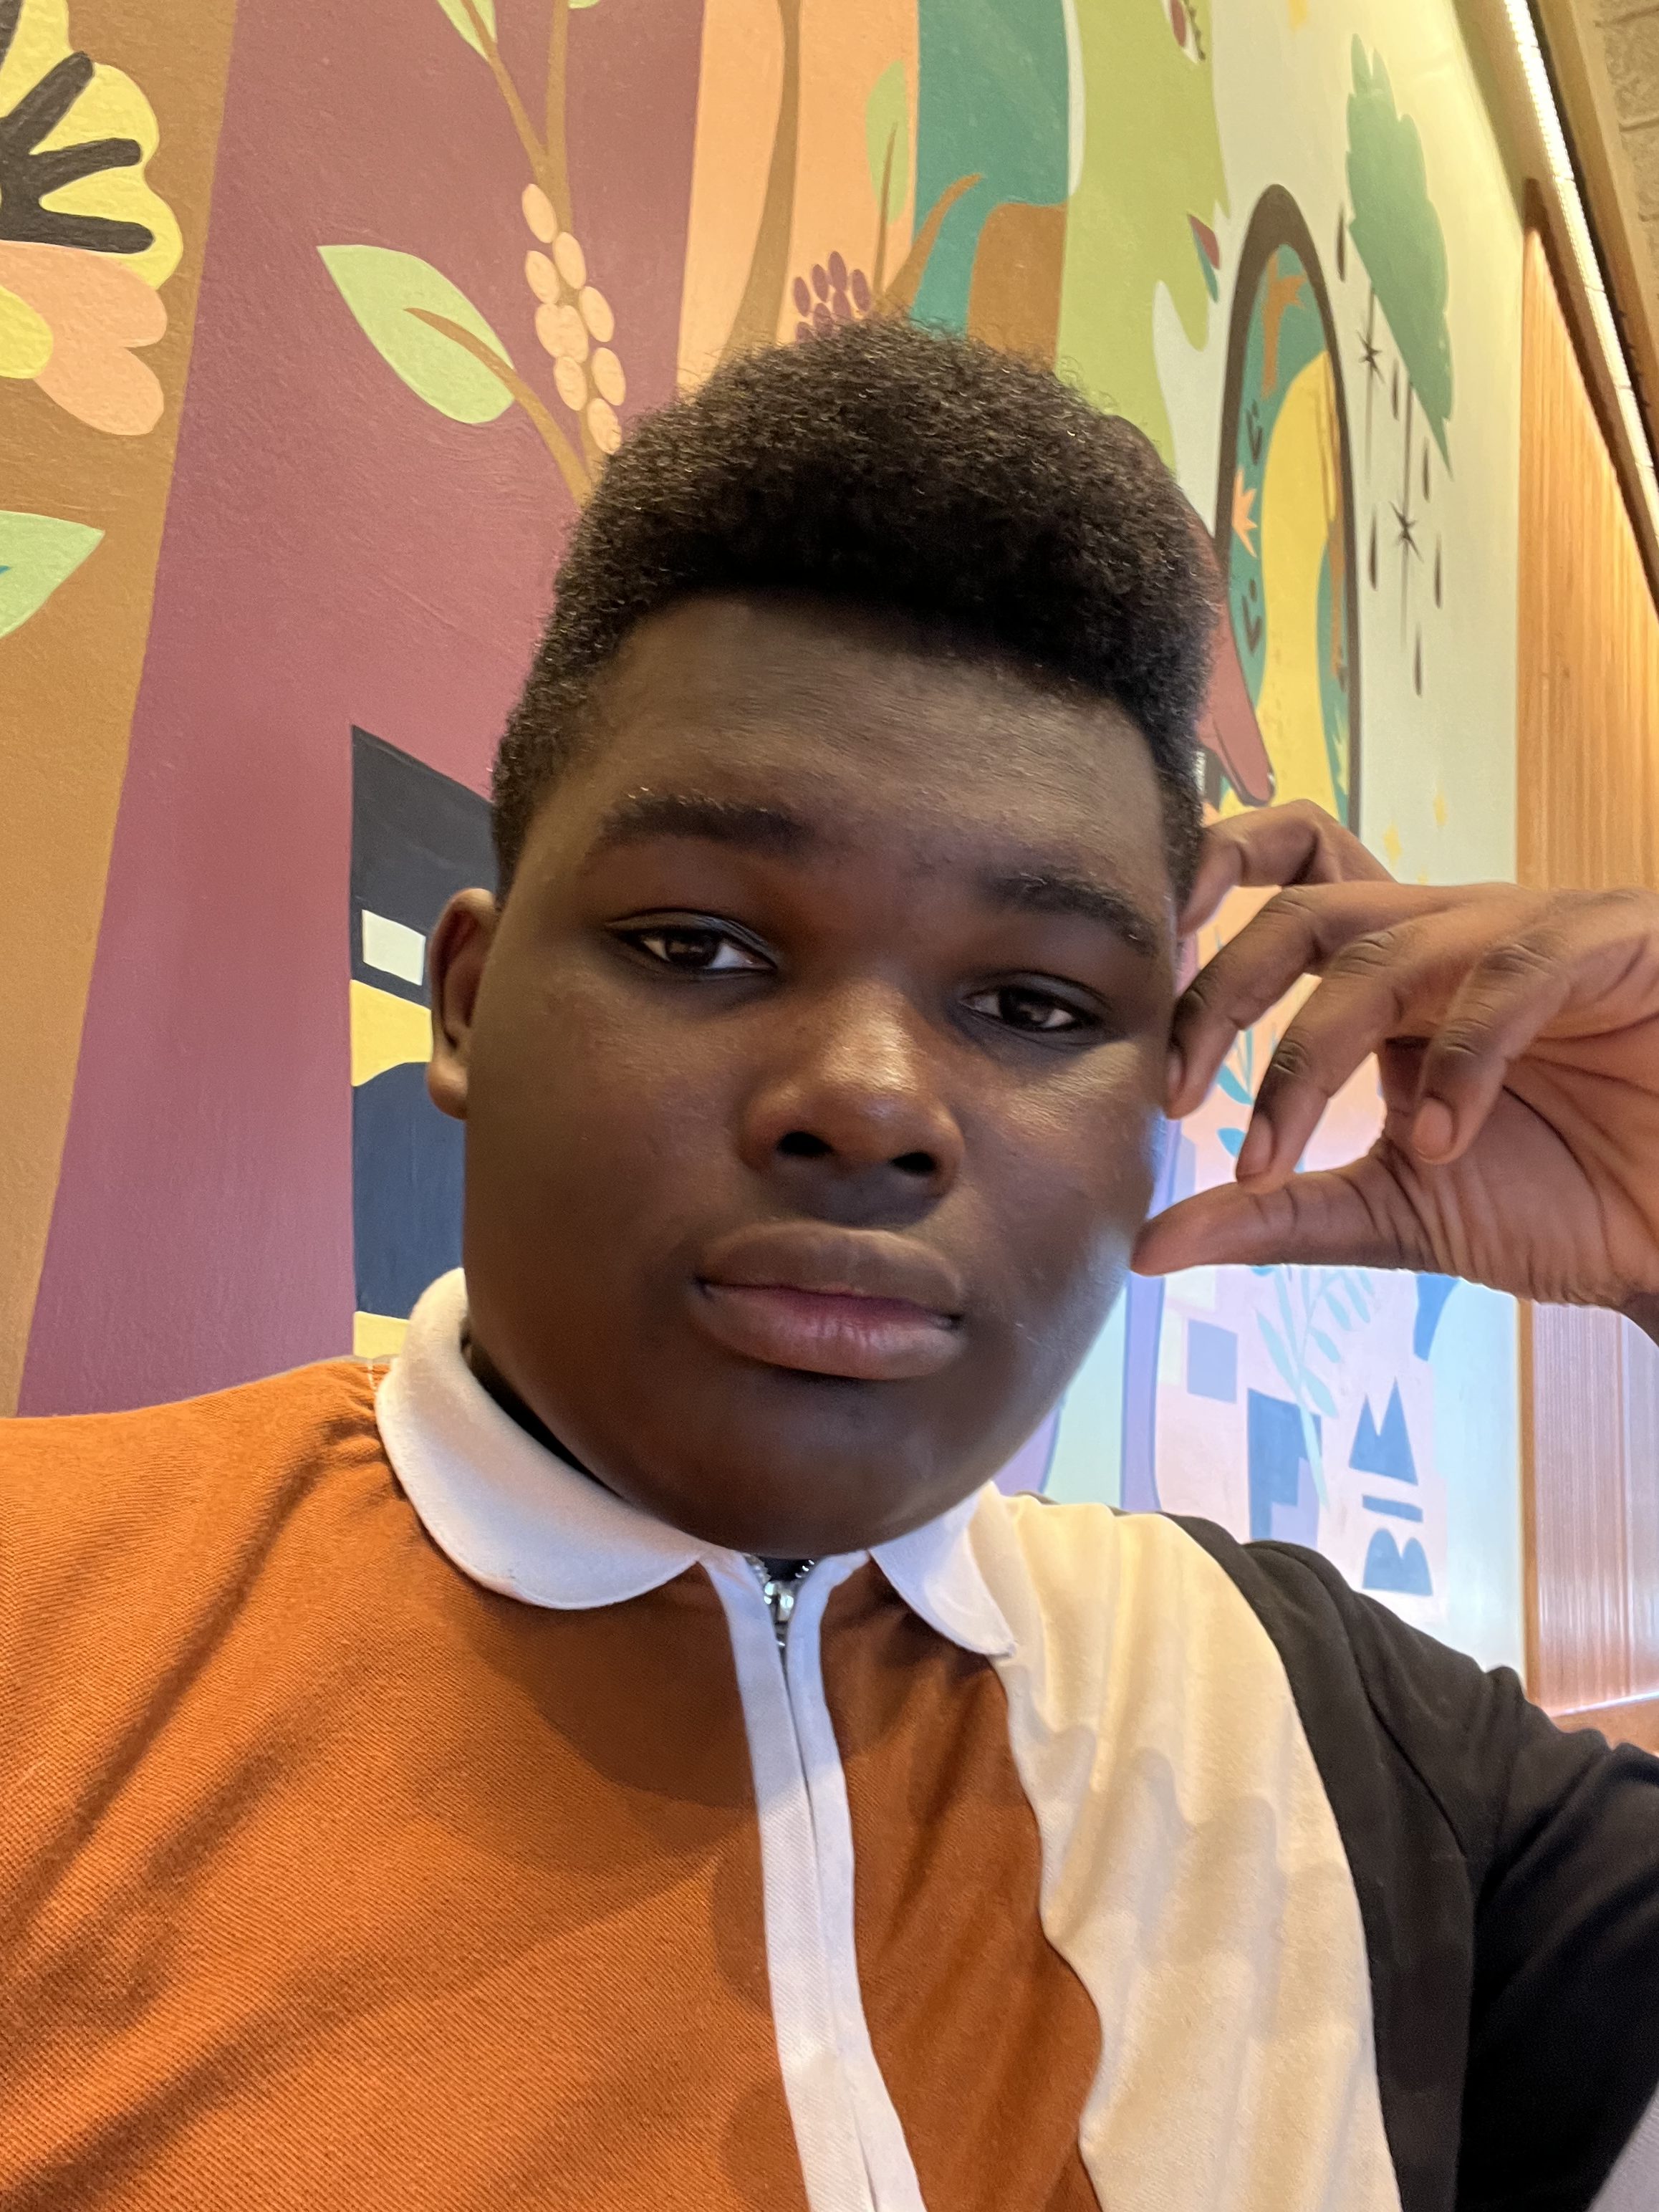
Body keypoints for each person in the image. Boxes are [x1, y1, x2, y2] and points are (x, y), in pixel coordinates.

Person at [2, 321, 1656, 2212]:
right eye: (699, 946)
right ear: (464, 1001)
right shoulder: (47, 1631)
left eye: (1034, 1002)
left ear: (1164, 1089)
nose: (869, 1104)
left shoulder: (1333, 1740)